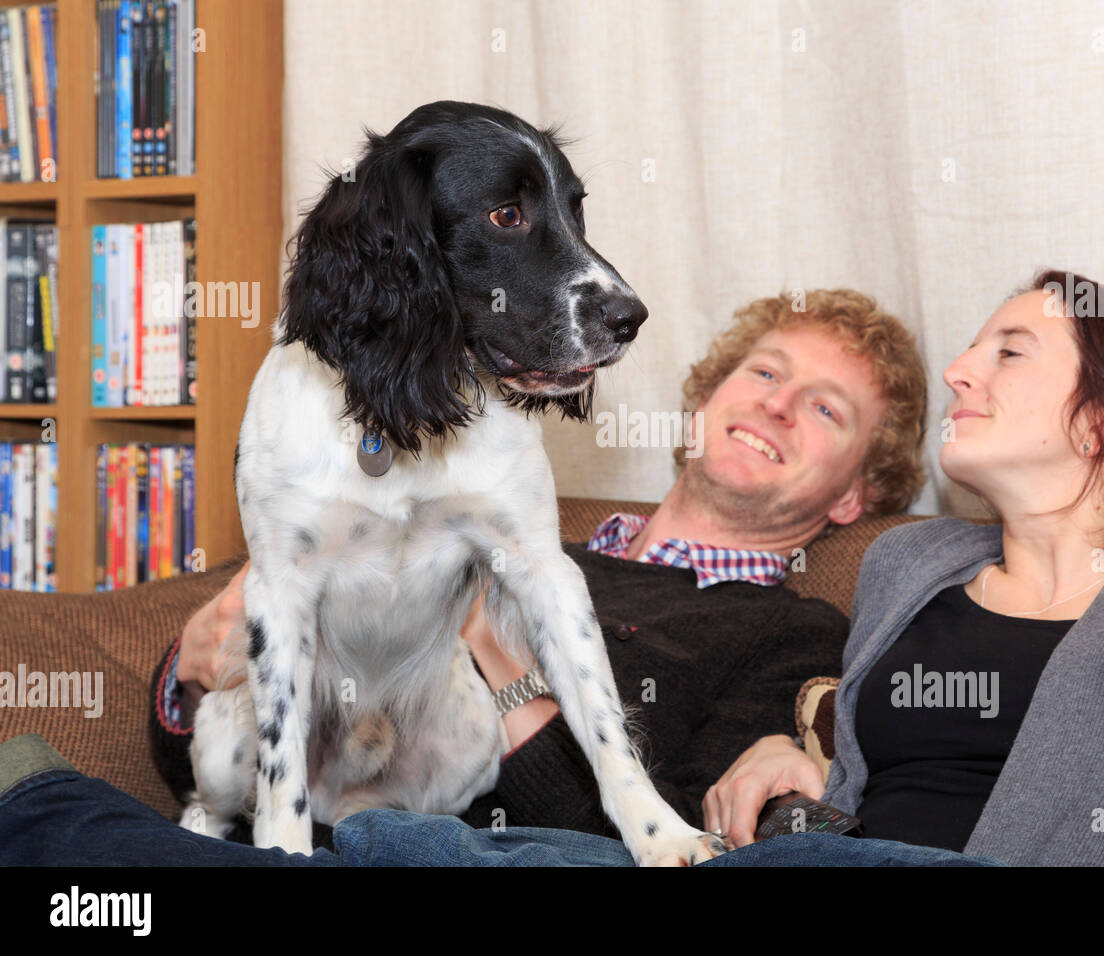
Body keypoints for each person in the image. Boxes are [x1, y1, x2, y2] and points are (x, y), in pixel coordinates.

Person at [0, 288, 931, 865]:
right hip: (301, 818)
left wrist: (484, 642)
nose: (774, 403)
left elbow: (659, 840)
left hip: (471, 850)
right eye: (765, 371)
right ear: (701, 404)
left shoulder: (790, 633)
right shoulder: (460, 489)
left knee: (58, 831)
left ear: (858, 495)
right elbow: (225, 739)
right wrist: (191, 671)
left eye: (824, 410)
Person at [705, 270, 1104, 866]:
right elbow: (847, 777)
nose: (956, 372)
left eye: (1009, 353)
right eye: (972, 350)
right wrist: (779, 747)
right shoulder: (907, 562)